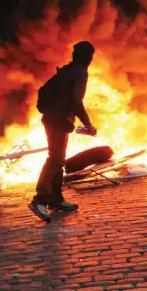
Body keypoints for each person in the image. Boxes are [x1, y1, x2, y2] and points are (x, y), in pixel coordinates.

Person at [28, 41, 97, 222]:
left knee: (59, 158)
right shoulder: (81, 72)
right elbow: (77, 101)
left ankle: (56, 199)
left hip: (55, 119)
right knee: (56, 159)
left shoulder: (68, 69)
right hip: (58, 120)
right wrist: (88, 124)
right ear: (88, 57)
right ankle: (40, 198)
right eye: (91, 56)